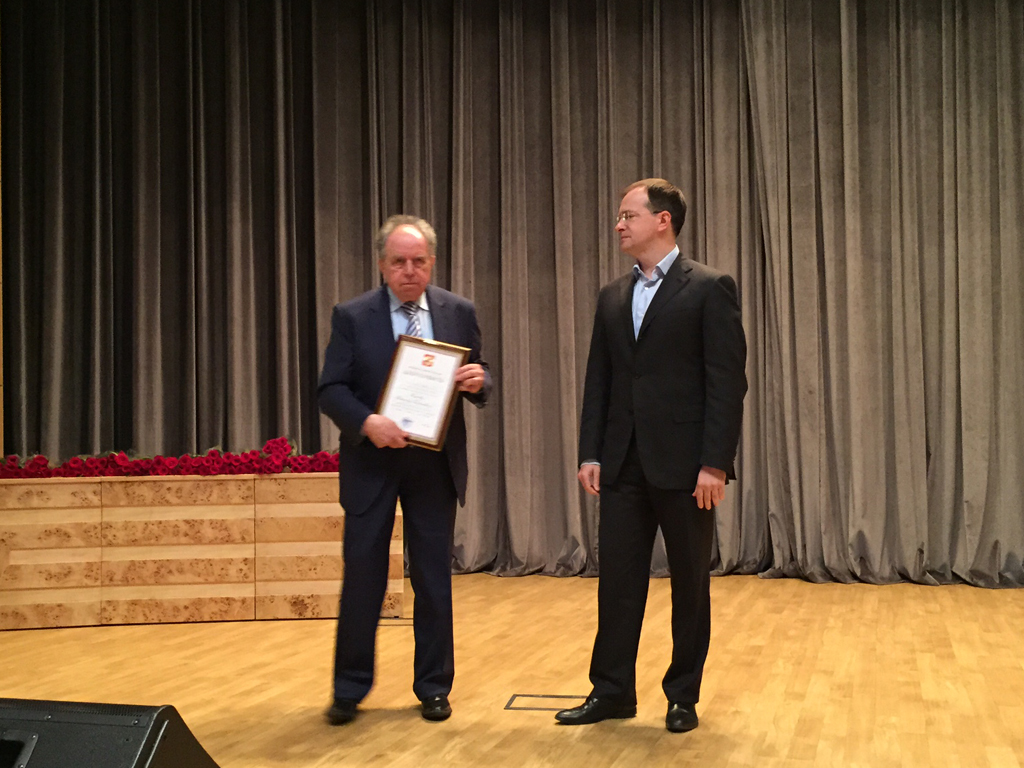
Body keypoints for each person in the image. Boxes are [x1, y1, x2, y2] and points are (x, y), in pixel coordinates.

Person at [555, 179, 747, 733]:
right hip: (622, 464)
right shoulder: (612, 295)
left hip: (687, 468)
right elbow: (599, 380)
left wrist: (715, 463)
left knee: (689, 584)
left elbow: (726, 382)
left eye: (628, 215)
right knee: (617, 582)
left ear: (662, 220)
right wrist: (591, 452)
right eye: (620, 216)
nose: (619, 224)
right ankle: (611, 690)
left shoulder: (709, 287)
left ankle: (682, 695)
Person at [318, 214, 491, 724]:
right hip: (372, 463)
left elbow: (478, 372)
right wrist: (366, 421)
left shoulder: (459, 311)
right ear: (382, 264)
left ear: (431, 262)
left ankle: (434, 687)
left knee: (434, 580)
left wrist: (481, 381)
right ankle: (349, 689)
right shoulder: (352, 316)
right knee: (363, 579)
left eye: (418, 261)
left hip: (433, 466)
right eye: (399, 262)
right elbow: (330, 389)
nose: (409, 271)